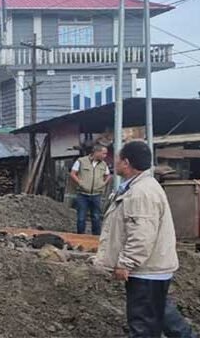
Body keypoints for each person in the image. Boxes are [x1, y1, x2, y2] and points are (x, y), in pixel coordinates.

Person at [95, 140, 179, 338]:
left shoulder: (141, 193)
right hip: (150, 269)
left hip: (146, 271)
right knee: (161, 316)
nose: (113, 161)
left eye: (117, 158)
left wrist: (126, 263)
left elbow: (142, 234)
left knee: (143, 326)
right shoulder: (138, 186)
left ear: (126, 162)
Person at [70, 144, 112, 235]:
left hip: (96, 195)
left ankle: (96, 238)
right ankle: (80, 236)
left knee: (96, 217)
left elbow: (108, 175)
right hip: (82, 194)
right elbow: (73, 173)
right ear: (97, 152)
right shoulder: (81, 161)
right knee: (81, 217)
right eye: (104, 153)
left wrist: (103, 183)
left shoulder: (104, 164)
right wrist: (81, 183)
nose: (105, 156)